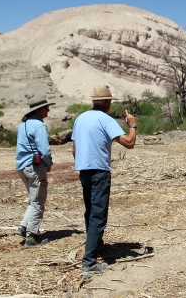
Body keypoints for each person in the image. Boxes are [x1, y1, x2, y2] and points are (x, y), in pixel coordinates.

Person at [71, 85, 137, 276]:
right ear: (107, 102)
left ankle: (95, 246)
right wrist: (132, 125)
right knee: (98, 215)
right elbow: (129, 143)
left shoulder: (80, 118)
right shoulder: (105, 119)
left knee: (90, 211)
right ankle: (89, 263)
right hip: (99, 171)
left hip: (84, 170)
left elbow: (74, 149)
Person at [15, 95, 55, 247]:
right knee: (38, 200)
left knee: (33, 198)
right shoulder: (39, 126)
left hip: (22, 167)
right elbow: (44, 150)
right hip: (35, 168)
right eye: (46, 108)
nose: (48, 110)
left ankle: (23, 226)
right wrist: (49, 163)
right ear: (39, 110)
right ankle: (32, 235)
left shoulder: (23, 124)